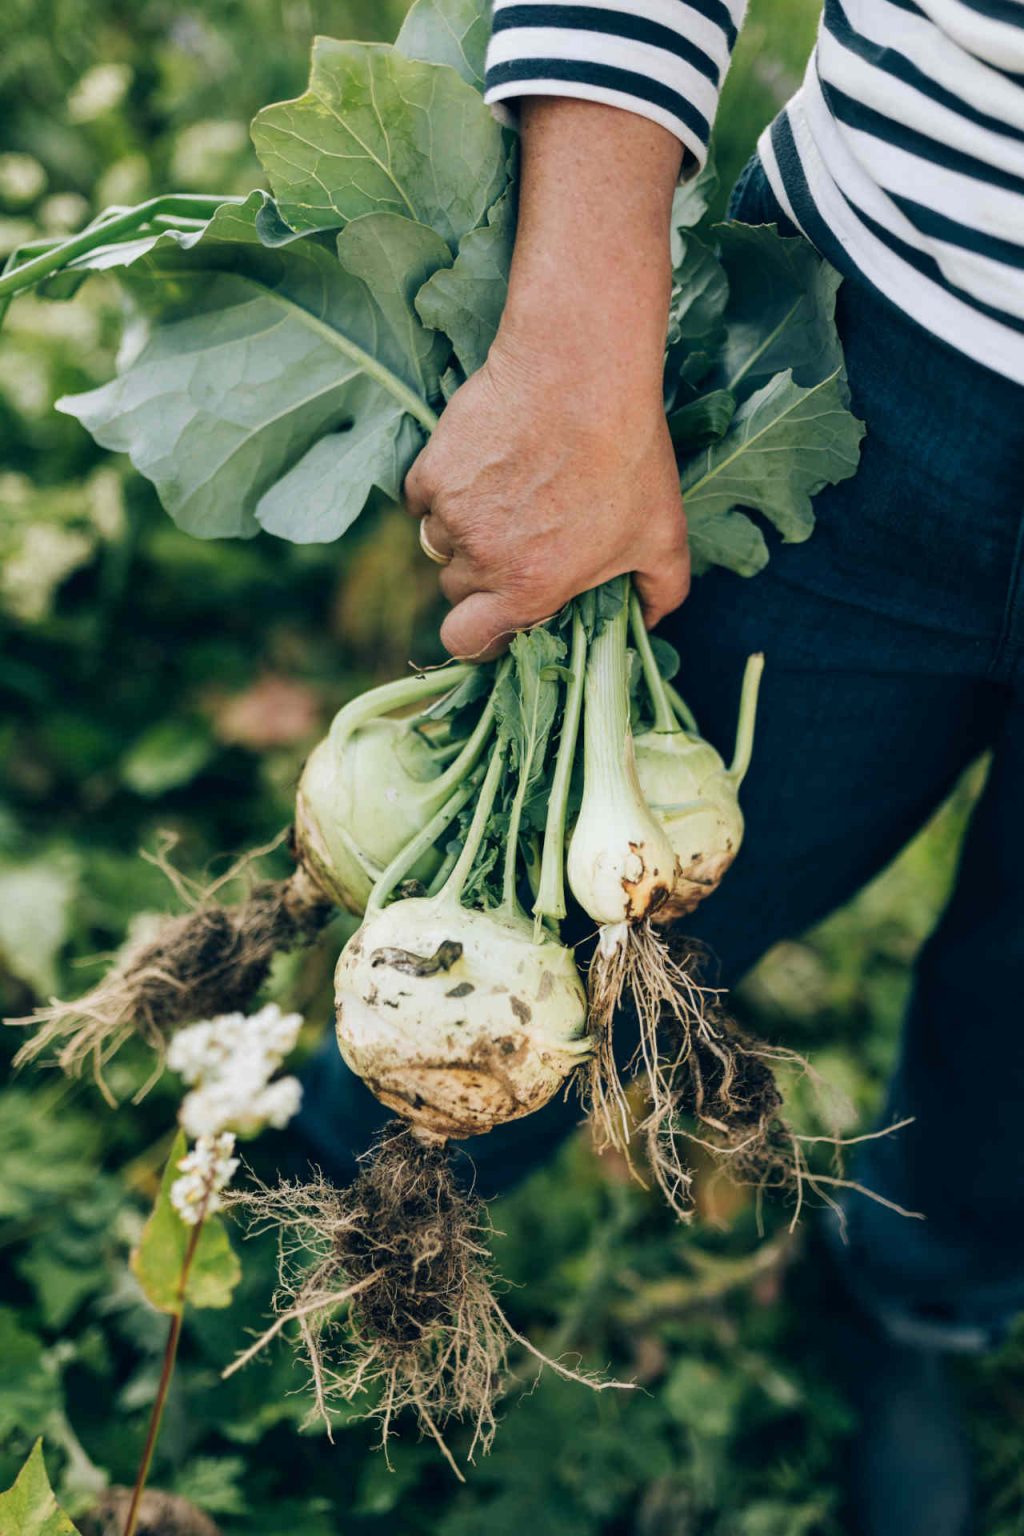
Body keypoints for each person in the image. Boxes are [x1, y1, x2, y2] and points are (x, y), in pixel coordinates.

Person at [299, 3, 1024, 1531]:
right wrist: (582, 328)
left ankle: (918, 1303)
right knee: (604, 913)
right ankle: (315, 1208)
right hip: (873, 340)